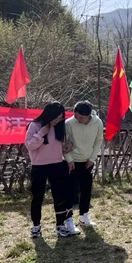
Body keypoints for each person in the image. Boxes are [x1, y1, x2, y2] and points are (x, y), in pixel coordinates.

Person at [25, 102, 76, 238]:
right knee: (37, 197)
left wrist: (68, 147)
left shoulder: (59, 126)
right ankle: (36, 226)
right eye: (56, 118)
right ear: (49, 114)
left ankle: (60, 225)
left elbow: (58, 146)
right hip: (39, 166)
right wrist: (42, 133)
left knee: (60, 196)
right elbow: (30, 146)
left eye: (60, 118)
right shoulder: (35, 125)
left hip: (57, 164)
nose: (57, 120)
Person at [64, 100, 103, 228]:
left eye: (81, 117)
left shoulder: (98, 123)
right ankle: (68, 218)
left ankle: (84, 215)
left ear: (89, 115)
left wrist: (92, 158)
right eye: (76, 116)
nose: (77, 119)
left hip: (87, 161)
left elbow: (98, 141)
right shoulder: (69, 123)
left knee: (86, 190)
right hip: (72, 162)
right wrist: (69, 159)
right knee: (71, 191)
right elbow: (64, 143)